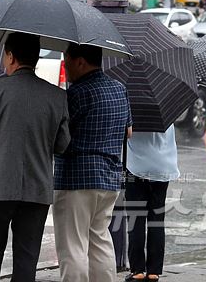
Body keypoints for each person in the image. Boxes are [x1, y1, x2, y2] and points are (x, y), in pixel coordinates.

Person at [0, 32, 70, 282]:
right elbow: (63, 145)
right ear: (36, 58)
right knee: (26, 259)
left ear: (11, 56)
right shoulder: (57, 96)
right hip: (37, 191)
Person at [53, 43, 132, 282]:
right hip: (109, 177)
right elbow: (128, 132)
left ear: (80, 61)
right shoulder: (119, 88)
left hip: (77, 178)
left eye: (66, 60)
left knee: (73, 245)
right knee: (100, 240)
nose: (65, 65)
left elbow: (60, 135)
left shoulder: (76, 93)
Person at [124, 125, 180, 282]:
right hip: (162, 167)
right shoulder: (165, 109)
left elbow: (126, 134)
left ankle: (138, 271)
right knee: (157, 220)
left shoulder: (133, 107)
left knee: (136, 220)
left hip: (136, 167)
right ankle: (154, 271)